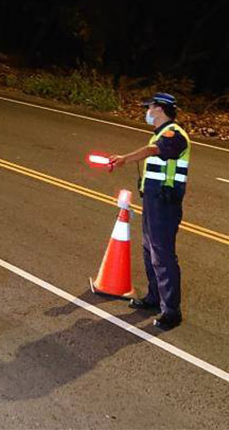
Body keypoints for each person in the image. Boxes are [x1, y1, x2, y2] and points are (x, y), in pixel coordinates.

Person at [108, 93, 190, 331]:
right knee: (149, 250)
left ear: (161, 110)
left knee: (163, 255)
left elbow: (154, 150)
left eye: (150, 108)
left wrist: (124, 158)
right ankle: (155, 297)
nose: (147, 111)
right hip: (154, 202)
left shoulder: (174, 135)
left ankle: (171, 312)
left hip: (165, 203)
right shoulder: (160, 133)